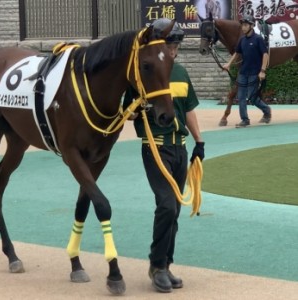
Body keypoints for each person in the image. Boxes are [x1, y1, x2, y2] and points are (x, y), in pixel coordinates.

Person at [123, 18, 205, 293]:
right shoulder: (142, 74)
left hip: (179, 149)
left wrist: (199, 142)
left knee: (175, 210)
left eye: (176, 44)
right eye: (170, 44)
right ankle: (156, 266)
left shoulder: (181, 72)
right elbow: (128, 112)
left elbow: (190, 109)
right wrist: (142, 106)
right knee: (167, 205)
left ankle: (166, 265)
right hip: (155, 146)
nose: (174, 50)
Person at [223, 14, 272, 128]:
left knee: (253, 98)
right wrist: (229, 64)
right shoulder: (242, 40)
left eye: (245, 25)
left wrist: (263, 70)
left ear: (252, 26)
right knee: (240, 97)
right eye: (242, 25)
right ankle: (245, 119)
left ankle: (266, 110)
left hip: (254, 73)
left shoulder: (258, 39)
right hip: (243, 73)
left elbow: (265, 54)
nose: (243, 27)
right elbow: (237, 53)